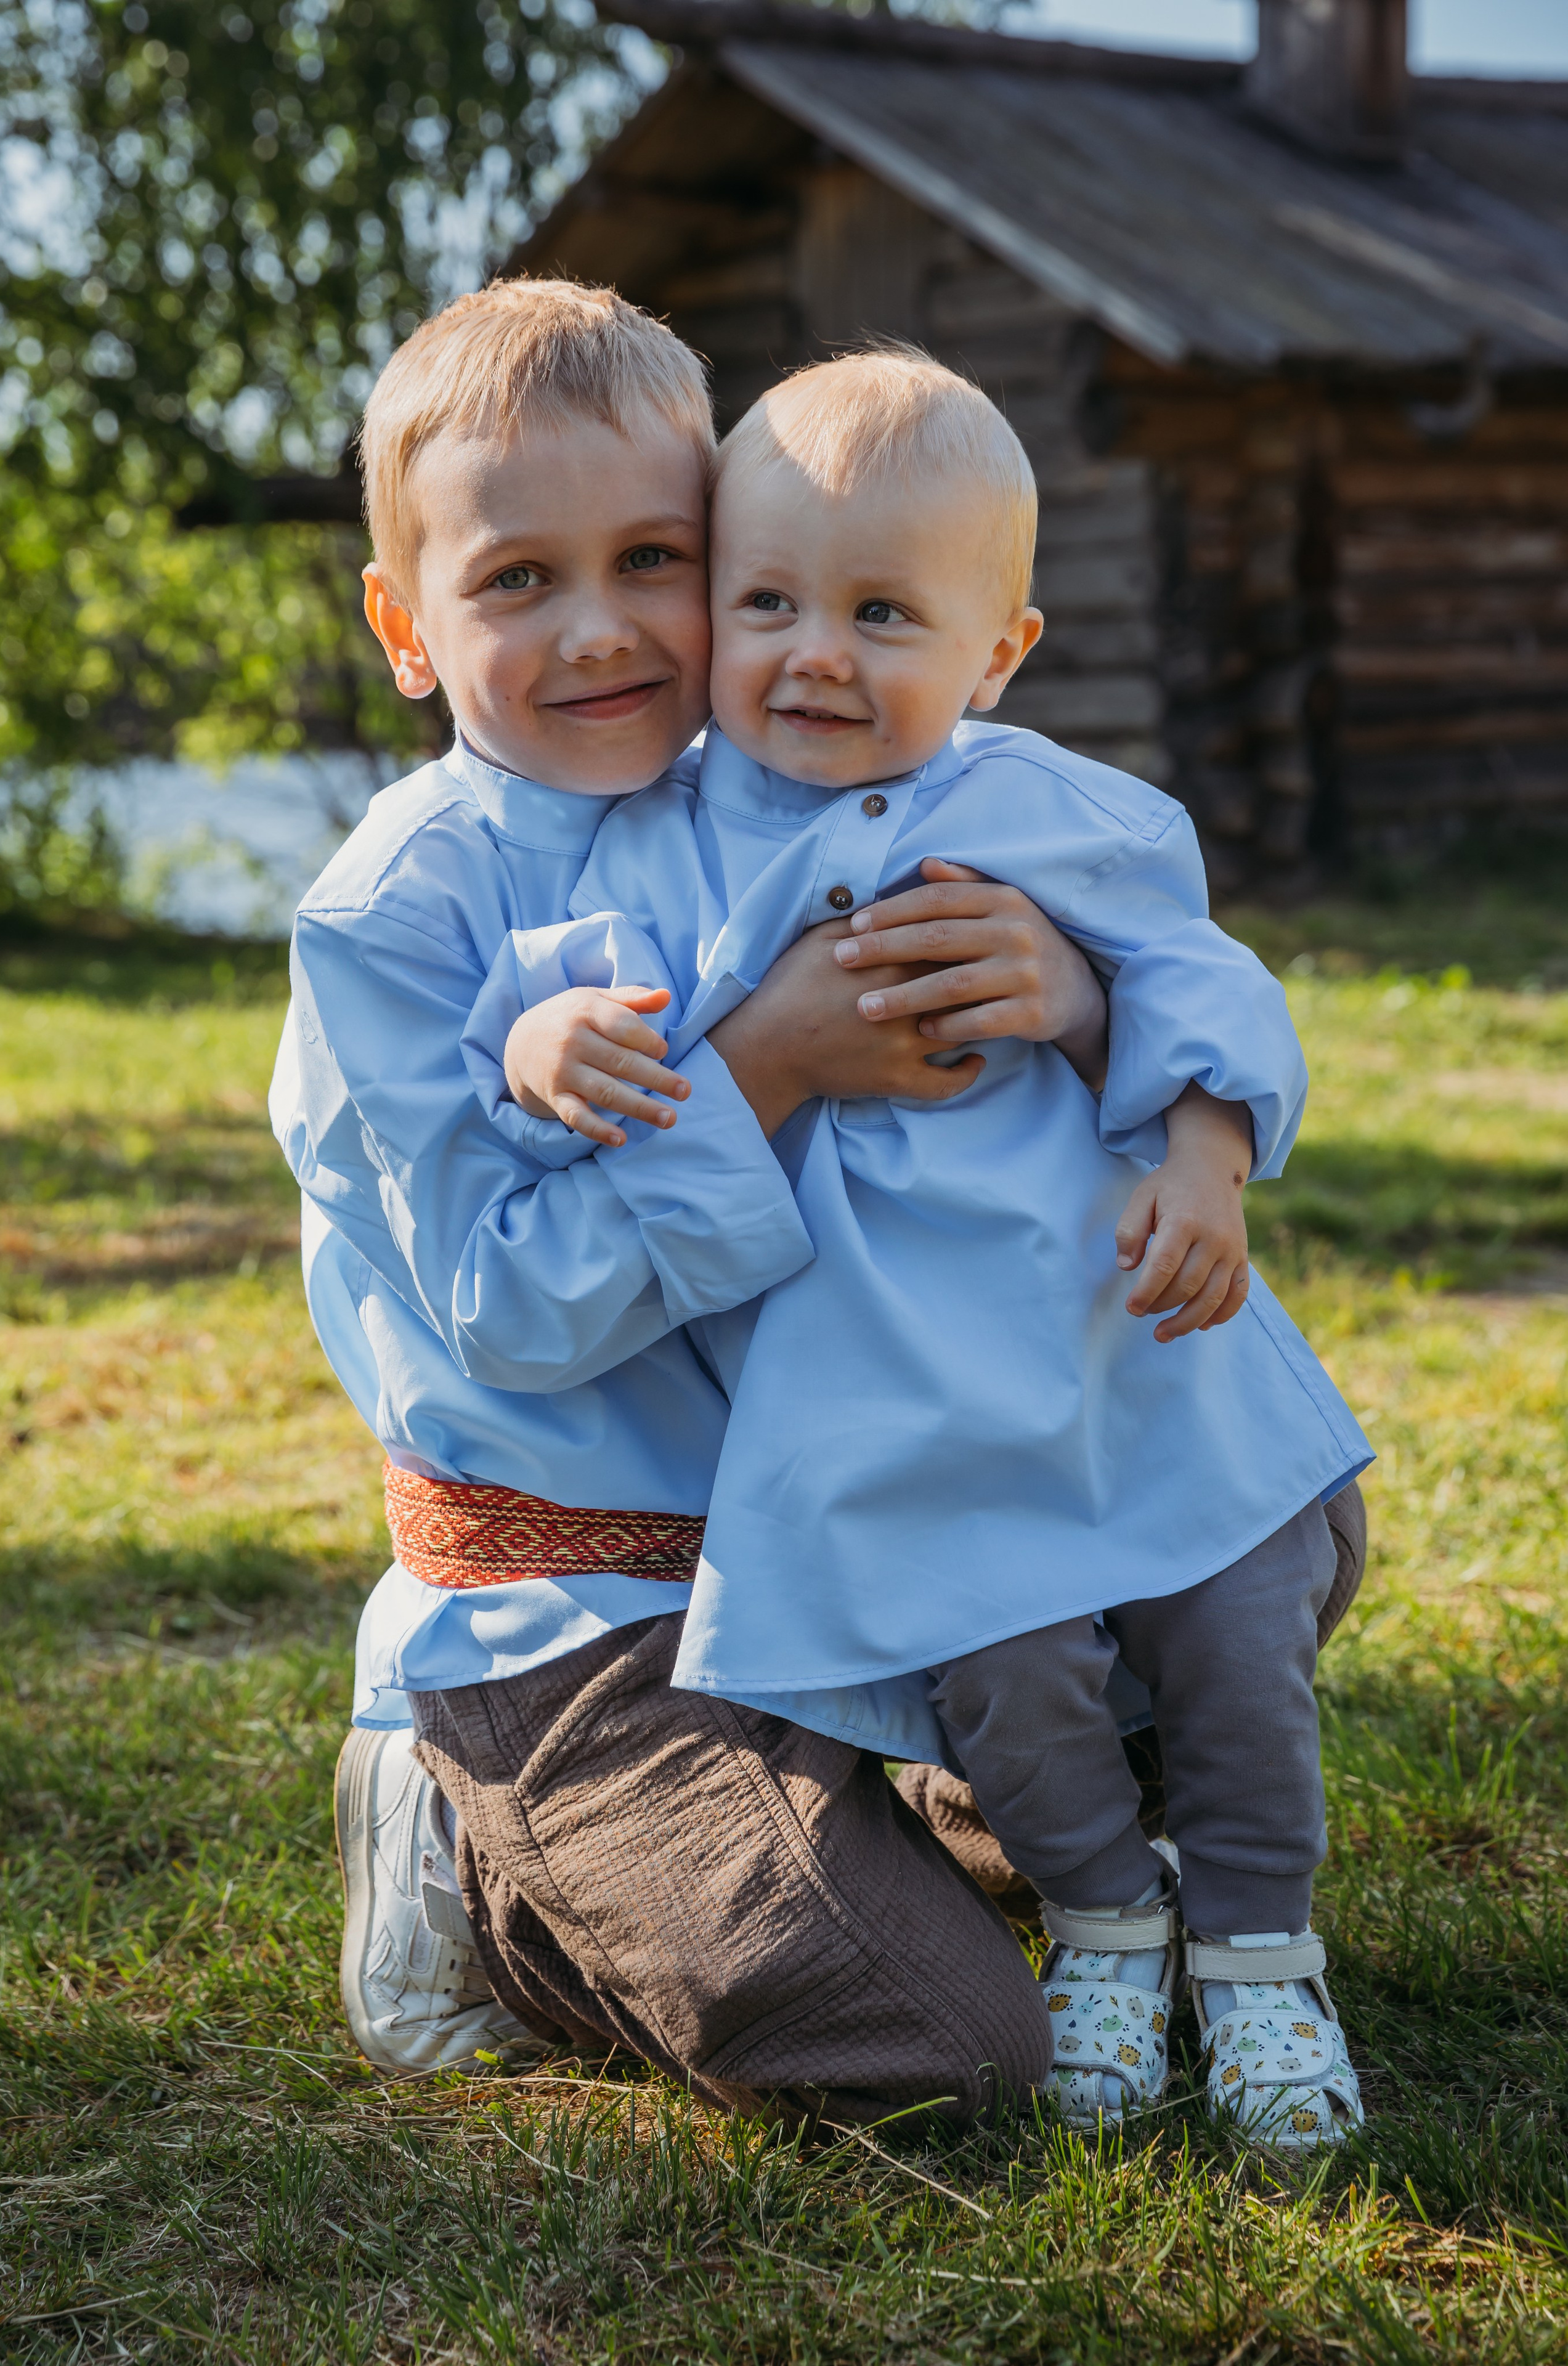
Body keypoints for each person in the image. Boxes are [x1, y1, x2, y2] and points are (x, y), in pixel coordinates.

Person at [273, 277, 1210, 2120]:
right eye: (518, 580)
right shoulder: (395, 917)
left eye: (659, 559)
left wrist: (1076, 992)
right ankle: (480, 1859)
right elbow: (510, 1309)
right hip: (584, 1608)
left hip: (853, 1529)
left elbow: (1095, 907)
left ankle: (888, 1816)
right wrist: (766, 1064)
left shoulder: (782, 777)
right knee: (953, 2060)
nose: (606, 629)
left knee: (1232, 1567)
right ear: (406, 622)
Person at [493, 351, 1372, 2149]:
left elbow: (1212, 987)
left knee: (1230, 1635)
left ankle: (1267, 1949)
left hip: (1126, 1339)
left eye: (883, 613)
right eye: (770, 603)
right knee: (1008, 1672)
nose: (816, 653)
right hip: (904, 1394)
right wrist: (536, 1043)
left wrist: (1205, 1153)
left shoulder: (1059, 813)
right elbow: (556, 986)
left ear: (1000, 654)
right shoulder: (658, 836)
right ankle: (1114, 1921)